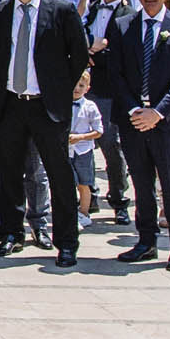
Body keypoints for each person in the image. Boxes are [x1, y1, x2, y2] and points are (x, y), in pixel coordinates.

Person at [0, 0, 90, 268]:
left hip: (48, 107)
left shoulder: (61, 10)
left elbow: (79, 55)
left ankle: (67, 243)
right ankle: (12, 233)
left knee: (58, 176)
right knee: (10, 173)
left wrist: (57, 90)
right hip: (12, 104)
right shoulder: (1, 12)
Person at [103, 0, 170, 271]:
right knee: (142, 184)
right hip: (133, 120)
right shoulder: (122, 26)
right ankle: (145, 241)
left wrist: (157, 112)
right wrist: (135, 110)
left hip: (166, 121)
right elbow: (115, 73)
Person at [82, 0, 132, 225]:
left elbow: (125, 53)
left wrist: (94, 53)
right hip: (85, 89)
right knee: (83, 146)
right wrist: (88, 50)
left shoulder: (129, 14)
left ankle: (119, 200)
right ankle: (88, 198)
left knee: (111, 147)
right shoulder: (89, 10)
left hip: (111, 91)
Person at [68, 69, 104, 225]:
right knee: (67, 183)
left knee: (84, 183)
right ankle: (69, 212)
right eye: (74, 85)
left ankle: (83, 213)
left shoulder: (90, 107)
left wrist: (81, 137)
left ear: (87, 88)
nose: (77, 89)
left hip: (83, 150)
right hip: (66, 150)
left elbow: (99, 131)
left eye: (81, 86)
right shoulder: (62, 104)